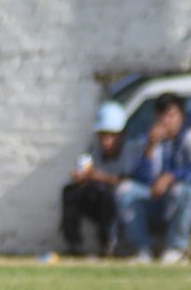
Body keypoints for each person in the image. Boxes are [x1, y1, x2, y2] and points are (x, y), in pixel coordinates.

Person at [116, 93, 191, 265]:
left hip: (178, 198)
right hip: (154, 199)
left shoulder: (190, 137)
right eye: (162, 115)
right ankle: (143, 250)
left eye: (171, 115)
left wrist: (172, 177)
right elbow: (138, 178)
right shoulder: (148, 139)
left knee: (187, 193)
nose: (166, 121)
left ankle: (175, 249)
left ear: (181, 116)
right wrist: (150, 147)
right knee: (125, 191)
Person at [59, 102, 142, 258]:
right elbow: (89, 175)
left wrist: (98, 176)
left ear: (122, 134)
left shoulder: (131, 150)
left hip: (119, 202)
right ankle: (73, 243)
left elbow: (129, 181)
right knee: (70, 191)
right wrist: (81, 179)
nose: (105, 140)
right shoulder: (94, 150)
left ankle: (109, 245)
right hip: (97, 198)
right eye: (102, 135)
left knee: (108, 197)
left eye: (110, 135)